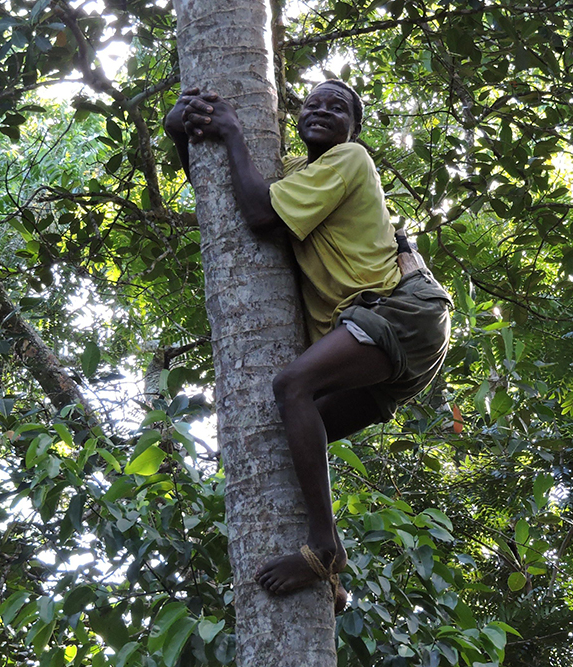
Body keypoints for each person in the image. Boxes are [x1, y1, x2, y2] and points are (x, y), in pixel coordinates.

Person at [165, 80, 452, 613]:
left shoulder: (350, 159)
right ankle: (335, 584)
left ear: (354, 128)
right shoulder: (301, 179)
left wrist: (229, 133)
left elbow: (258, 215)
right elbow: (228, 205)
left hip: (400, 314)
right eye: (313, 104)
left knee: (291, 385)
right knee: (292, 435)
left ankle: (325, 548)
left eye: (337, 106)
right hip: (384, 340)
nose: (322, 110)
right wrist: (181, 134)